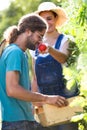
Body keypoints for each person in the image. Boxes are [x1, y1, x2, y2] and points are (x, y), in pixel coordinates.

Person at [0, 13, 68, 130]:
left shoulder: (22, 53)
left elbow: (21, 88)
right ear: (28, 31)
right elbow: (12, 90)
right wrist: (47, 98)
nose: (40, 42)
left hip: (24, 121)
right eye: (39, 36)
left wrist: (31, 104)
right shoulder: (14, 52)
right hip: (17, 124)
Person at [30, 2, 79, 130]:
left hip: (66, 100)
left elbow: (64, 59)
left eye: (49, 18)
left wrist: (50, 50)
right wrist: (32, 102)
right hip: (46, 102)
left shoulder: (65, 40)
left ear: (56, 19)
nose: (46, 23)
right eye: (42, 20)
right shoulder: (34, 48)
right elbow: (35, 78)